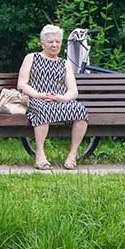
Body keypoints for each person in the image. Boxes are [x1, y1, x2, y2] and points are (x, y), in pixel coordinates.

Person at [17, 24, 89, 171]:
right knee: (43, 110)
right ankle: (40, 155)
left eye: (57, 41)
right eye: (50, 42)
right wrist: (38, 94)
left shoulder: (65, 64)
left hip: (59, 100)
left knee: (81, 110)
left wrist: (62, 98)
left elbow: (73, 91)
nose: (54, 45)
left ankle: (72, 155)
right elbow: (22, 84)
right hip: (36, 98)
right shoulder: (31, 58)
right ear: (42, 43)